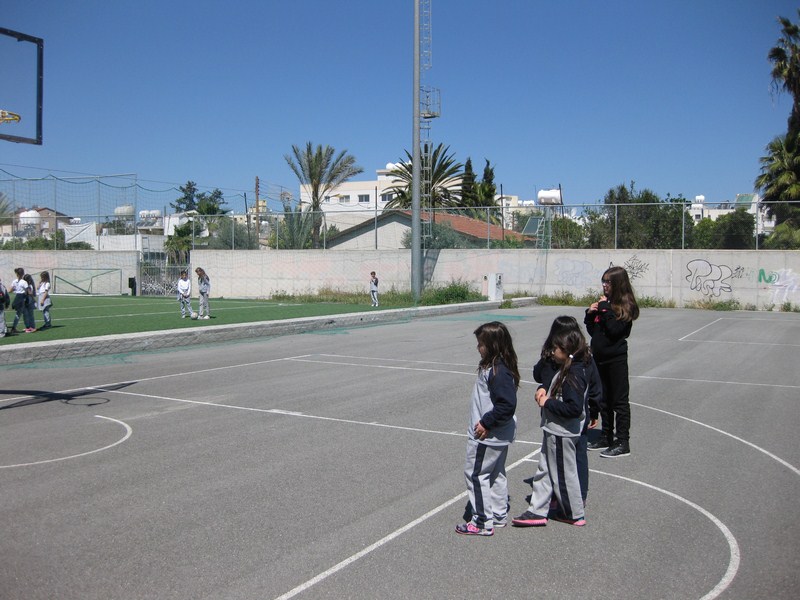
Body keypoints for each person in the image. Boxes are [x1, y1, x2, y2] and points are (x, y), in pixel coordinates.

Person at [512, 318, 593, 528]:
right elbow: (543, 375)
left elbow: (573, 409)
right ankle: (537, 510)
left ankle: (573, 513)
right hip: (554, 430)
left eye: (556, 348)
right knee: (545, 471)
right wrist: (543, 390)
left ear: (566, 351)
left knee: (563, 474)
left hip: (562, 433)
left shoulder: (574, 374)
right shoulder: (566, 368)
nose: (552, 351)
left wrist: (548, 402)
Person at [456, 321, 519, 536]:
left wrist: (486, 423)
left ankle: (482, 521)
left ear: (493, 345)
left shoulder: (498, 371)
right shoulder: (493, 367)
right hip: (497, 435)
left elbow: (507, 405)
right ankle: (498, 514)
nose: (478, 347)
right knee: (496, 474)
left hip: (488, 435)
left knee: (476, 474)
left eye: (481, 344)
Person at [530, 316, 602, 508]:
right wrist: (543, 386)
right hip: (560, 411)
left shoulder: (578, 360)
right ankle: (568, 493)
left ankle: (577, 495)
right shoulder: (557, 355)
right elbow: (540, 375)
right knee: (568, 455)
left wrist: (594, 409)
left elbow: (594, 385)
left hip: (569, 413)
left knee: (572, 455)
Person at [584, 266, 640, 458]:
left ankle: (622, 441)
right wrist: (590, 315)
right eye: (603, 281)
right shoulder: (605, 304)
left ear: (617, 284)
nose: (604, 285)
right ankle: (606, 435)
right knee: (603, 400)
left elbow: (616, 331)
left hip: (616, 359)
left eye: (608, 282)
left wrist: (605, 309)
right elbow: (595, 332)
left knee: (619, 401)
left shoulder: (626, 305)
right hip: (599, 358)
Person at [9, 267, 28, 334]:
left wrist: (16, 289)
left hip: (17, 297)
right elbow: (27, 291)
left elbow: (10, 290)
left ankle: (27, 326)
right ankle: (14, 328)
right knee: (19, 314)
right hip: (22, 298)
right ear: (23, 273)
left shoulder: (14, 281)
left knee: (24, 313)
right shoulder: (24, 282)